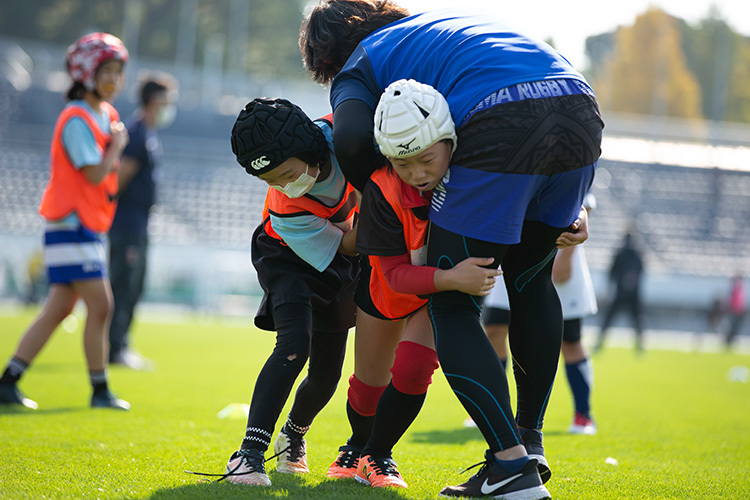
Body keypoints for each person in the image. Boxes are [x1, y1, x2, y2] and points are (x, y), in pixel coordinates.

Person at [300, 3, 602, 498]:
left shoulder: (364, 61)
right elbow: (547, 97)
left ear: (330, 56)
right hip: (579, 108)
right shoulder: (445, 30)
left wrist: (390, 204)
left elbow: (352, 137)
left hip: (503, 118)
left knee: (453, 299)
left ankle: (510, 467)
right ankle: (528, 444)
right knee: (530, 283)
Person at [326, 79, 501, 489]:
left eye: (426, 160)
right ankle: (355, 445)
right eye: (404, 165)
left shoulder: (472, 174)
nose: (418, 174)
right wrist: (453, 277)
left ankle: (379, 455)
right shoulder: (383, 191)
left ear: (449, 142)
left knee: (413, 367)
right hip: (389, 291)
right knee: (368, 387)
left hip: (435, 292)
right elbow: (394, 275)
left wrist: (575, 216)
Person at [200, 98, 359, 487]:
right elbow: (353, 244)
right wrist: (388, 218)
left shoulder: (350, 134)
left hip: (340, 251)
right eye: (270, 181)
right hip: (286, 257)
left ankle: (294, 434)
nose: (283, 187)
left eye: (286, 173)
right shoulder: (286, 208)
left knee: (326, 377)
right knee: (293, 346)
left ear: (309, 147)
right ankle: (249, 454)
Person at [0, 32, 131, 410]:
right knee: (102, 305)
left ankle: (9, 379)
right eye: (106, 70)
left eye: (118, 72)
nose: (113, 79)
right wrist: (117, 146)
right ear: (86, 73)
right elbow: (92, 173)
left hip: (87, 224)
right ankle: (99, 389)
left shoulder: (106, 115)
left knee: (59, 308)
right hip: (71, 223)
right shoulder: (76, 118)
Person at [481, 193, 599, 436]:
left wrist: (566, 254)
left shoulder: (563, 157)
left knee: (570, 340)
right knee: (493, 328)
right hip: (512, 251)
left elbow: (582, 201)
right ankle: (495, 410)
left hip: (552, 253)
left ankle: (583, 415)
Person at [108, 72, 178, 370]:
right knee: (124, 284)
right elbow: (119, 178)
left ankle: (120, 344)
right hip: (127, 223)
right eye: (166, 100)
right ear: (153, 101)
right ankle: (115, 348)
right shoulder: (136, 133)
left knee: (133, 285)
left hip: (138, 222)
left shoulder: (147, 134)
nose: (169, 106)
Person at [594, 229, 645, 353]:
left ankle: (599, 343)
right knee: (634, 319)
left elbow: (611, 274)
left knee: (633, 319)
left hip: (624, 293)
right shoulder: (635, 255)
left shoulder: (623, 254)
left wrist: (608, 290)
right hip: (629, 293)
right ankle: (639, 346)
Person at [724, 273, 747, 349]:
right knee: (732, 328)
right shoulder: (735, 289)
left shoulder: (740, 289)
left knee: (735, 328)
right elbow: (731, 300)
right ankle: (728, 342)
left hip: (739, 312)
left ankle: (730, 342)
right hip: (734, 311)